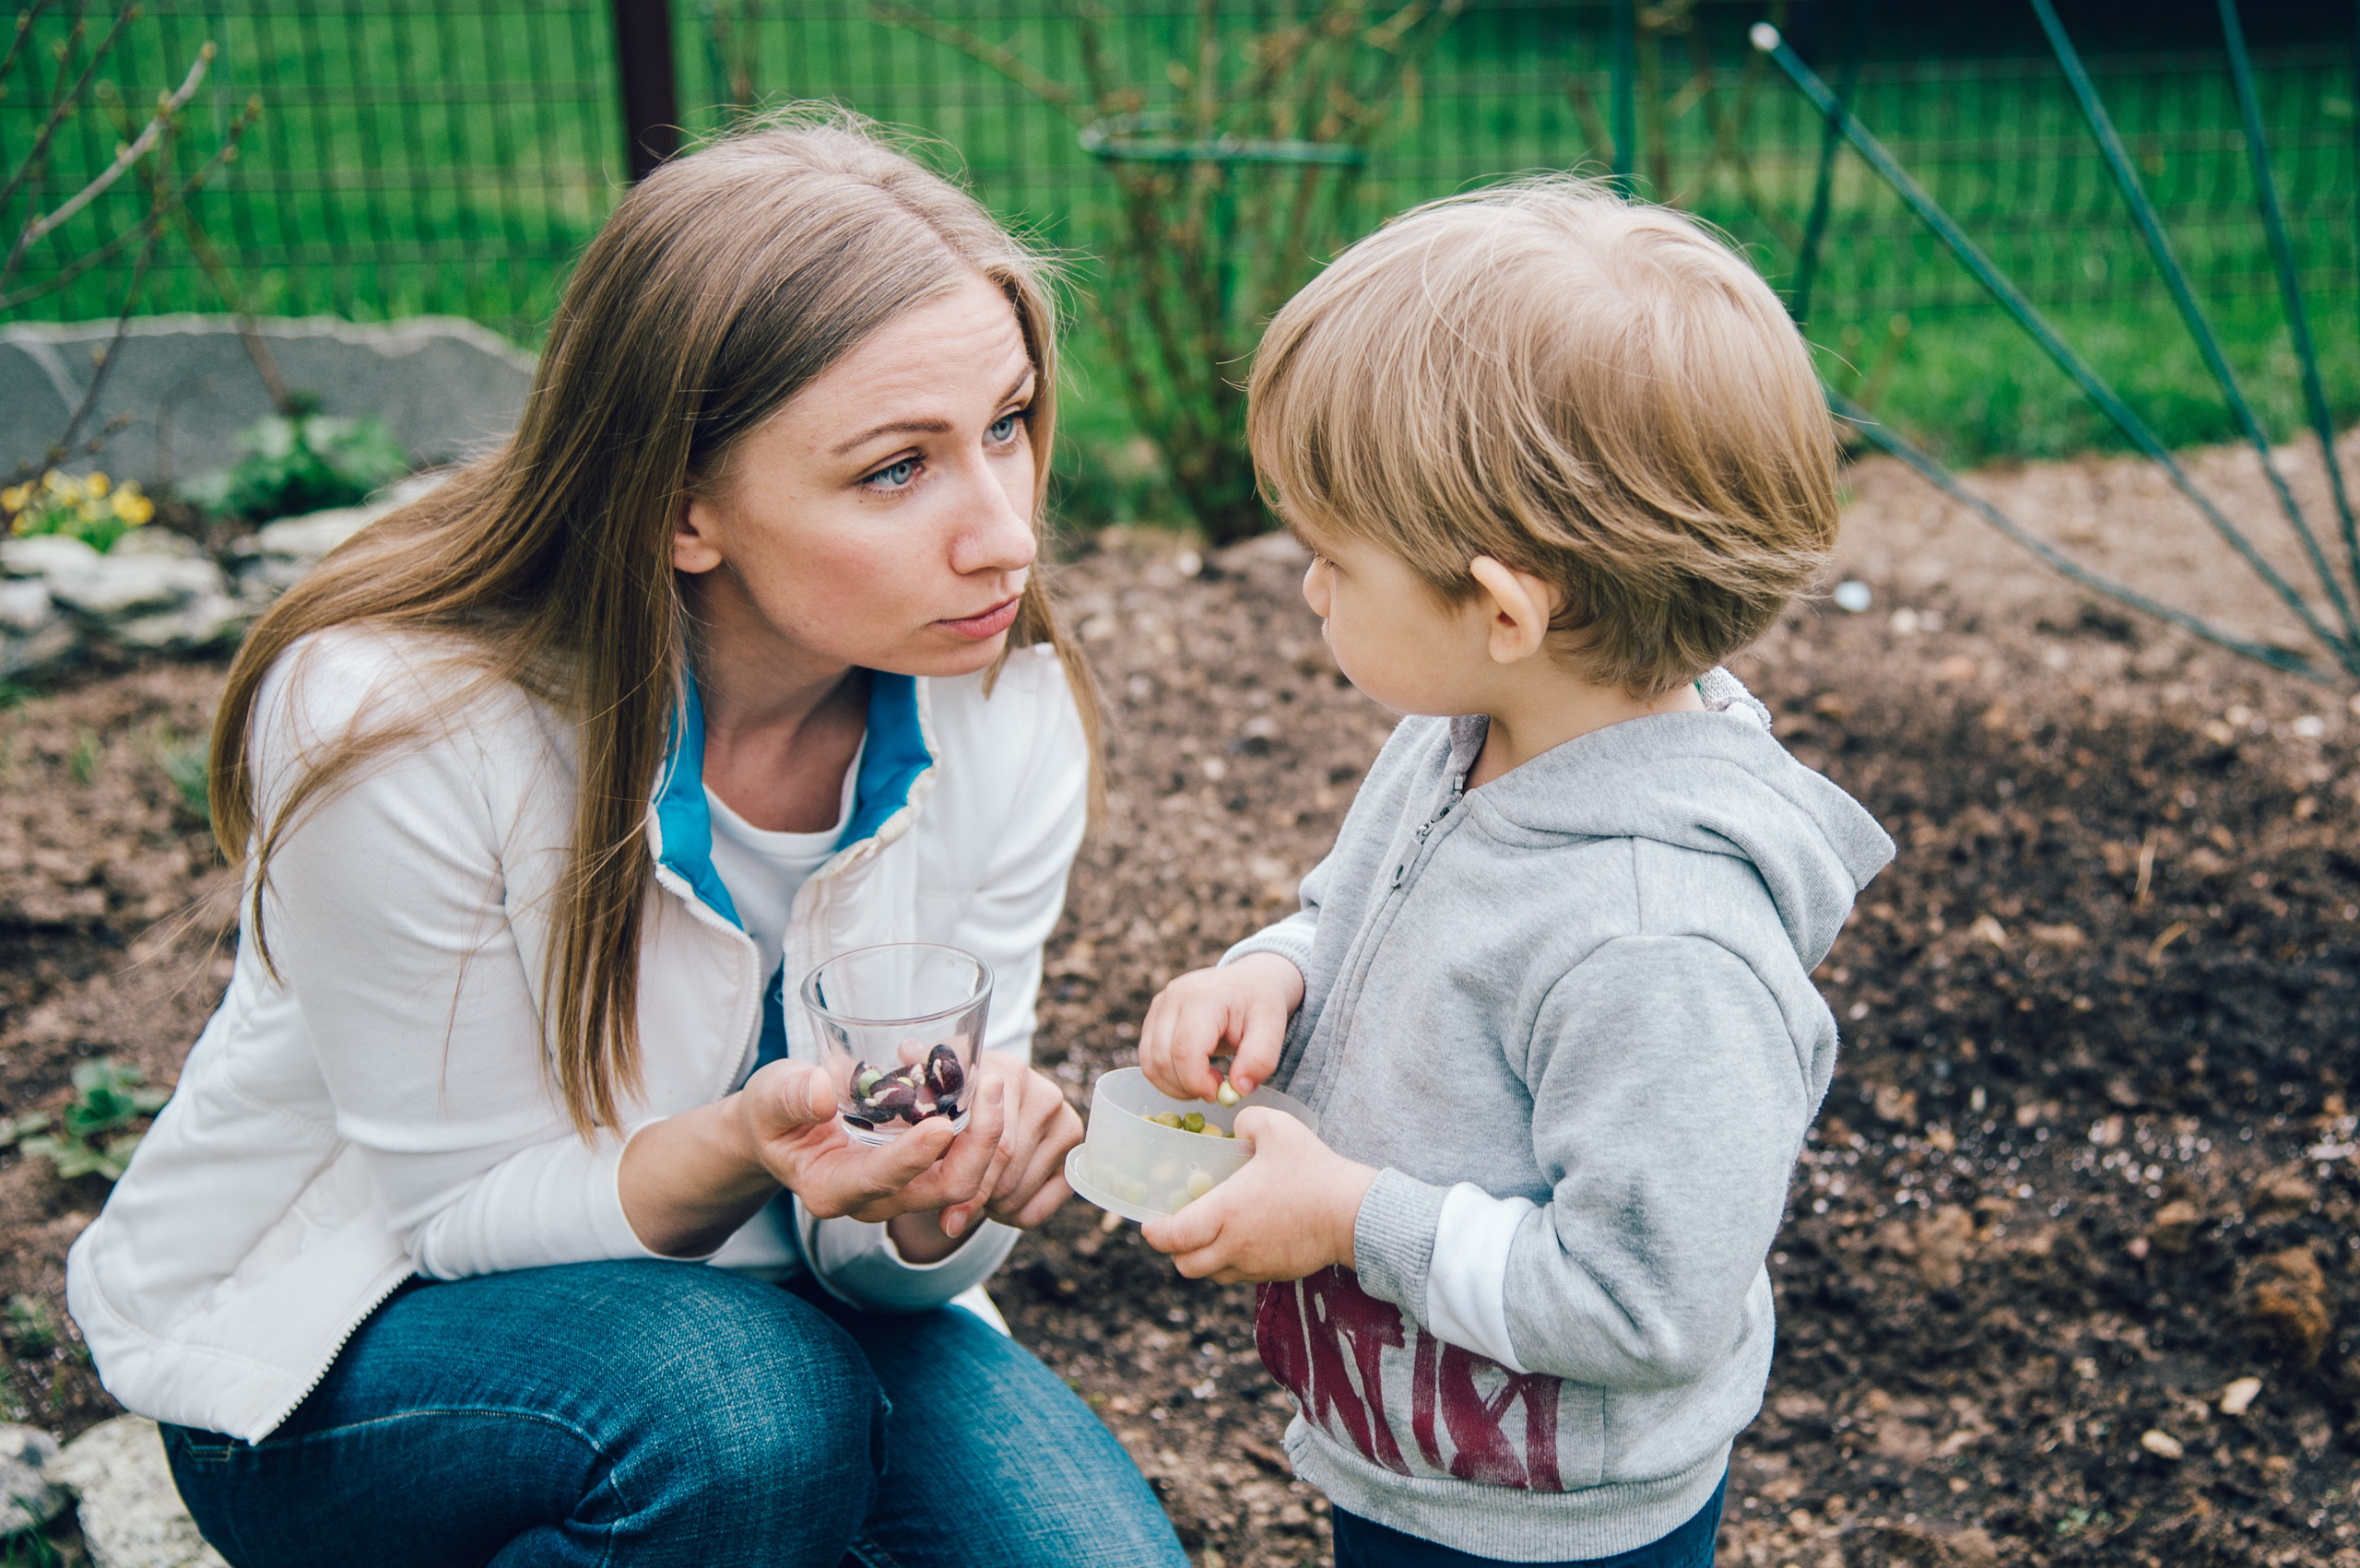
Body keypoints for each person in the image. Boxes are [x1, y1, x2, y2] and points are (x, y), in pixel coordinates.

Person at [65, 112, 1187, 1568]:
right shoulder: (400, 728)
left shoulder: (1000, 706)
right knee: (740, 1415)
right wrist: (738, 1150)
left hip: (803, 1328)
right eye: (897, 470)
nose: (1005, 536)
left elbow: (894, 1250)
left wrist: (933, 1210)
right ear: (680, 512)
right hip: (348, 1348)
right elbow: (456, 1215)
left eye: (1007, 426)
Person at [1130, 179, 1896, 1567]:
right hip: (1422, 1454)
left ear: (1500, 609)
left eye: (1329, 558)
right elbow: (1355, 915)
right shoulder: (1466, 736)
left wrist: (1350, 1220)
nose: (1307, 587)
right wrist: (1275, 970)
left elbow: (1642, 1303)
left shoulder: (1660, 949)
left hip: (1551, 1524)